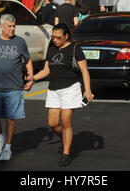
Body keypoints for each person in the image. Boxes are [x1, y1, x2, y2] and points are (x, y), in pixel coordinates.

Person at [30, 23, 93, 167]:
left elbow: (84, 70)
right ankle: (67, 138)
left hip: (70, 88)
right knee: (52, 123)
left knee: (66, 122)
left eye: (58, 37)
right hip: (53, 89)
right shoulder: (51, 48)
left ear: (66, 36)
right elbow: (46, 71)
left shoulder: (75, 49)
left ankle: (66, 153)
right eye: (53, 37)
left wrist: (87, 90)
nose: (55, 40)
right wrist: (33, 79)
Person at [0, 14, 33, 161]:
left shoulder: (20, 42)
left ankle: (8, 148)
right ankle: (0, 137)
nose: (12, 29)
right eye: (9, 26)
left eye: (14, 26)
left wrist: (31, 78)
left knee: (11, 119)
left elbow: (28, 61)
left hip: (14, 87)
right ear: (1, 26)